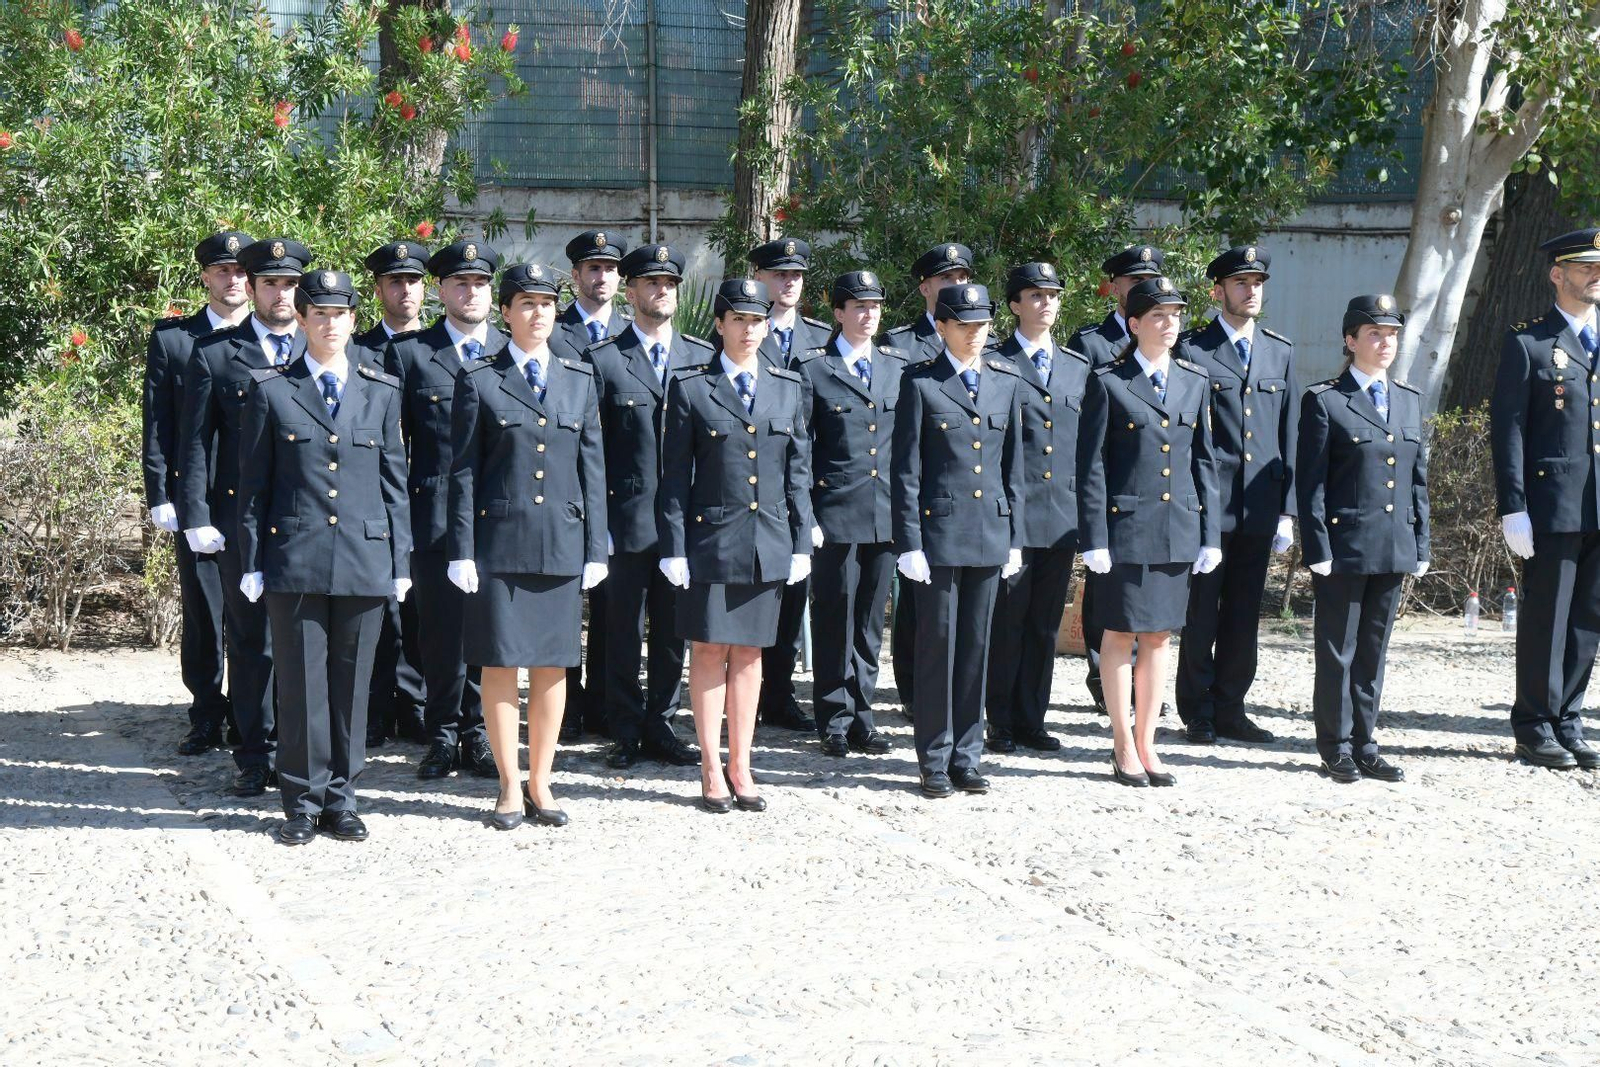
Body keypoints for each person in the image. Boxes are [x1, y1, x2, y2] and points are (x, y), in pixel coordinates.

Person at [235, 268, 411, 844]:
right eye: (319, 314)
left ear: (354, 320)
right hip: (296, 557)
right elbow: (254, 487)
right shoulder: (272, 390)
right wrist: (252, 561)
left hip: (364, 556)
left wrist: (401, 562)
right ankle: (302, 801)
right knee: (301, 686)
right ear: (302, 319)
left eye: (340, 315)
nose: (330, 324)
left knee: (353, 685)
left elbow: (394, 483)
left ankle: (343, 797)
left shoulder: (381, 389)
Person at [447, 264, 609, 829]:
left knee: (552, 664)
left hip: (560, 541)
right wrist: (462, 549)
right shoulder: (479, 379)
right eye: (527, 304)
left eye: (546, 304)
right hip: (499, 544)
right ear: (506, 313)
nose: (538, 314)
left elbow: (593, 468)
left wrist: (596, 547)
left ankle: (542, 780)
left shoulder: (578, 378)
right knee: (499, 662)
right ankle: (508, 784)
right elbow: (463, 472)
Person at [657, 279, 813, 812]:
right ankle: (709, 764)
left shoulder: (787, 387)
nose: (749, 330)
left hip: (766, 539)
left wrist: (800, 541)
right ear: (720, 324)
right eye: (739, 320)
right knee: (708, 649)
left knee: (749, 653)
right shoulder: (692, 387)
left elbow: (797, 473)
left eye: (757, 321)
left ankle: (740, 763)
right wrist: (674, 546)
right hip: (710, 541)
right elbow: (674, 478)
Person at [178, 236, 312, 796]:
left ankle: (302, 753)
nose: (281, 294)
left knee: (302, 642)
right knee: (252, 640)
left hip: (307, 520)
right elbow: (194, 444)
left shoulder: (323, 346)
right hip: (242, 521)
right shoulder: (216, 354)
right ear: (252, 288)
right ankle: (255, 753)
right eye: (270, 284)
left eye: (290, 284)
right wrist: (195, 514)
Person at [1079, 277, 1220, 788]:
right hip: (1125, 529)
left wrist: (1210, 534)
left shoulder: (1194, 380)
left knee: (1159, 636)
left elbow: (1204, 461)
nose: (1169, 324)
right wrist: (1094, 536)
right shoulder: (1109, 381)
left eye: (1175, 314)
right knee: (1120, 634)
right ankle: (1122, 744)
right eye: (1158, 315)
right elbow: (1091, 465)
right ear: (1134, 323)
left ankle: (1147, 742)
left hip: (1176, 526)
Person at [892, 282, 1024, 799]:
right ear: (942, 327)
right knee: (938, 649)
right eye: (964, 325)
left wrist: (1014, 536)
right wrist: (909, 543)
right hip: (939, 535)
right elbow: (906, 470)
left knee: (975, 649)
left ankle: (967, 756)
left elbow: (1013, 467)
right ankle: (933, 759)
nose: (974, 334)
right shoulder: (921, 383)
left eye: (982, 325)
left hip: (989, 532)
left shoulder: (1005, 381)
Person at [384, 239, 507, 781]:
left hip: (499, 516)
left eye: (480, 283)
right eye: (461, 283)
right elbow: (395, 447)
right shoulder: (412, 353)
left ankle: (479, 733)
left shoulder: (511, 349)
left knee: (488, 630)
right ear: (440, 290)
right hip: (433, 515)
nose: (471, 292)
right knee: (439, 635)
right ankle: (441, 735)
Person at [585, 243, 709, 770]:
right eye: (651, 283)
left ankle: (663, 723)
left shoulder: (700, 357)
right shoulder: (604, 359)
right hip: (626, 519)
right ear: (631, 292)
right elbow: (591, 451)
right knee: (621, 630)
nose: (662, 291)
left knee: (674, 630)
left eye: (670, 284)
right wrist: (599, 526)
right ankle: (625, 728)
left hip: (685, 522)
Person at [1296, 295, 1429, 782]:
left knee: (1373, 651)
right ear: (1350, 341)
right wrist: (1318, 547)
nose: (1385, 342)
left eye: (1391, 334)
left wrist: (1421, 543)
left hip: (1393, 545)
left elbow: (1417, 481)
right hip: (1345, 547)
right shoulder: (1326, 400)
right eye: (1375, 333)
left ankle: (1366, 743)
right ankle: (1336, 745)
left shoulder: (1409, 399)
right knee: (1339, 651)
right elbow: (1311, 483)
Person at [1174, 245, 1298, 745]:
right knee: (1201, 612)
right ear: (1217, 291)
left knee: (1245, 614)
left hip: (1260, 504)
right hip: (1210, 505)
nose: (1251, 291)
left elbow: (1288, 433)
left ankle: (1232, 708)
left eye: (1258, 283)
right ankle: (1197, 710)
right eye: (1241, 283)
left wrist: (1287, 509)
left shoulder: (1279, 351)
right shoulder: (1193, 350)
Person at [1491, 227, 1600, 770]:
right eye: (1586, 267)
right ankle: (1535, 725)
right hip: (1553, 505)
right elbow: (1509, 429)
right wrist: (1513, 505)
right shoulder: (1529, 342)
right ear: (1558, 274)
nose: (1596, 275)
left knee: (1588, 620)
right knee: (1547, 619)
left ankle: (1568, 721)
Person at [143, 229, 251, 755]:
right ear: (205, 276)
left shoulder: (271, 338)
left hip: (253, 499)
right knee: (204, 611)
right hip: (198, 498)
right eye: (222, 271)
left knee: (253, 612)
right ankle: (206, 711)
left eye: (240, 271)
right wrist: (159, 493)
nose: (233, 280)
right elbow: (158, 423)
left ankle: (252, 714)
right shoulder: (174, 340)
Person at [792, 269, 902, 756]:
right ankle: (833, 718)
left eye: (874, 306)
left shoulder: (896, 367)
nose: (868, 314)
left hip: (884, 514)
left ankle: (863, 716)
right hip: (834, 513)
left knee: (870, 623)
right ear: (838, 313)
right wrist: (807, 516)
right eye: (858, 306)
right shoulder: (814, 369)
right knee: (834, 616)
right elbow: (800, 449)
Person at [984, 262, 1090, 754]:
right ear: (1014, 305)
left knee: (1045, 624)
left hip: (1061, 515)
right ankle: (1000, 719)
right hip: (1014, 514)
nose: (1046, 303)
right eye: (1035, 295)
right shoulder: (994, 362)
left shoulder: (1076, 366)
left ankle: (1032, 719)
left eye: (1053, 295)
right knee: (1008, 621)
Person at [1071, 244, 1170, 718]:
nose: (1142, 287)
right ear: (1114, 289)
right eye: (1133, 281)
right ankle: (1104, 680)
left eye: (1149, 280)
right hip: (1112, 490)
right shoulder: (1091, 343)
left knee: (1153, 609)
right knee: (1108, 600)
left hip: (1155, 495)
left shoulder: (1167, 338)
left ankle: (1144, 689)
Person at [880, 241, 976, 722]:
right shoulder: (899, 344)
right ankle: (913, 689)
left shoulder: (980, 339)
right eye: (945, 280)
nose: (955, 286)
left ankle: (959, 695)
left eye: (962, 279)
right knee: (916, 604)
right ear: (925, 288)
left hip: (965, 492)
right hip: (917, 486)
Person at [750, 236, 831, 732]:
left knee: (795, 591)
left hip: (805, 483)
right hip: (752, 482)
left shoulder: (819, 339)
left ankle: (779, 695)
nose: (789, 282)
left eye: (796, 275)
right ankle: (745, 693)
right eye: (779, 274)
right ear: (759, 277)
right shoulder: (737, 328)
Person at [356, 240, 430, 748]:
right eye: (394, 281)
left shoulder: (439, 349)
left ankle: (418, 704)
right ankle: (376, 707)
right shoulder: (358, 350)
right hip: (372, 499)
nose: (405, 290)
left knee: (421, 607)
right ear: (379, 288)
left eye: (413, 280)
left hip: (426, 496)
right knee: (378, 606)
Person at [556, 229, 629, 739]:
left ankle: (608, 703)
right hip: (563, 485)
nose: (602, 277)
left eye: (610, 269)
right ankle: (567, 706)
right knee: (564, 606)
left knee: (614, 607)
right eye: (593, 268)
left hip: (619, 490)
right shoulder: (552, 331)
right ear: (576, 275)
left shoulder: (631, 332)